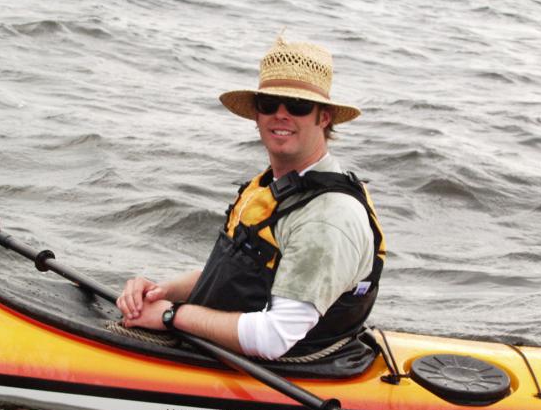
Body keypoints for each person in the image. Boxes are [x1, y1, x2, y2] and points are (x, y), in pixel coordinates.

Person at [117, 35, 385, 360]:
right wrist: (162, 291)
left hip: (289, 368)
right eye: (269, 104)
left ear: (324, 117)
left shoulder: (326, 218)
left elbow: (274, 339)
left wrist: (170, 316)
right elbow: (240, 277)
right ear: (257, 115)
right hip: (226, 346)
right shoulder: (276, 186)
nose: (281, 115)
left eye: (298, 106)